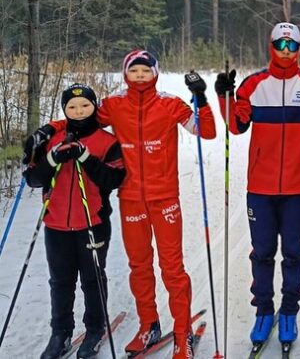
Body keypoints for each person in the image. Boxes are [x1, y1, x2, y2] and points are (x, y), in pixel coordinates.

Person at [34, 50, 216, 359]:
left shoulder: (170, 103)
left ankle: (182, 332)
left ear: (155, 72)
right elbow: (81, 116)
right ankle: (149, 325)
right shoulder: (114, 104)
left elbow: (206, 131)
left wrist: (201, 98)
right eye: (134, 71)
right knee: (139, 266)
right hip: (130, 198)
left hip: (164, 198)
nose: (140, 76)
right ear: (125, 73)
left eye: (146, 70)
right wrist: (51, 127)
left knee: (172, 268)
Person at [214, 22, 300, 349]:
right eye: (280, 44)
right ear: (271, 46)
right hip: (261, 187)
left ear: (299, 48)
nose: (285, 51)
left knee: (294, 252)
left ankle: (289, 310)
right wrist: (224, 95)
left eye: (291, 45)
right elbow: (236, 125)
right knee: (263, 252)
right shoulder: (255, 84)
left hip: (298, 187)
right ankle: (264, 311)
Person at [24, 84, 126, 359]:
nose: (79, 111)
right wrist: (52, 158)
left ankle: (94, 329)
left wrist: (85, 158)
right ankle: (60, 333)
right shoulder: (52, 138)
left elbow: (114, 179)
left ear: (94, 106)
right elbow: (33, 179)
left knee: (93, 280)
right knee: (60, 282)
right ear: (64, 109)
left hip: (93, 223)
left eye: (84, 105)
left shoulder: (107, 142)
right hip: (56, 225)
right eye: (72, 107)